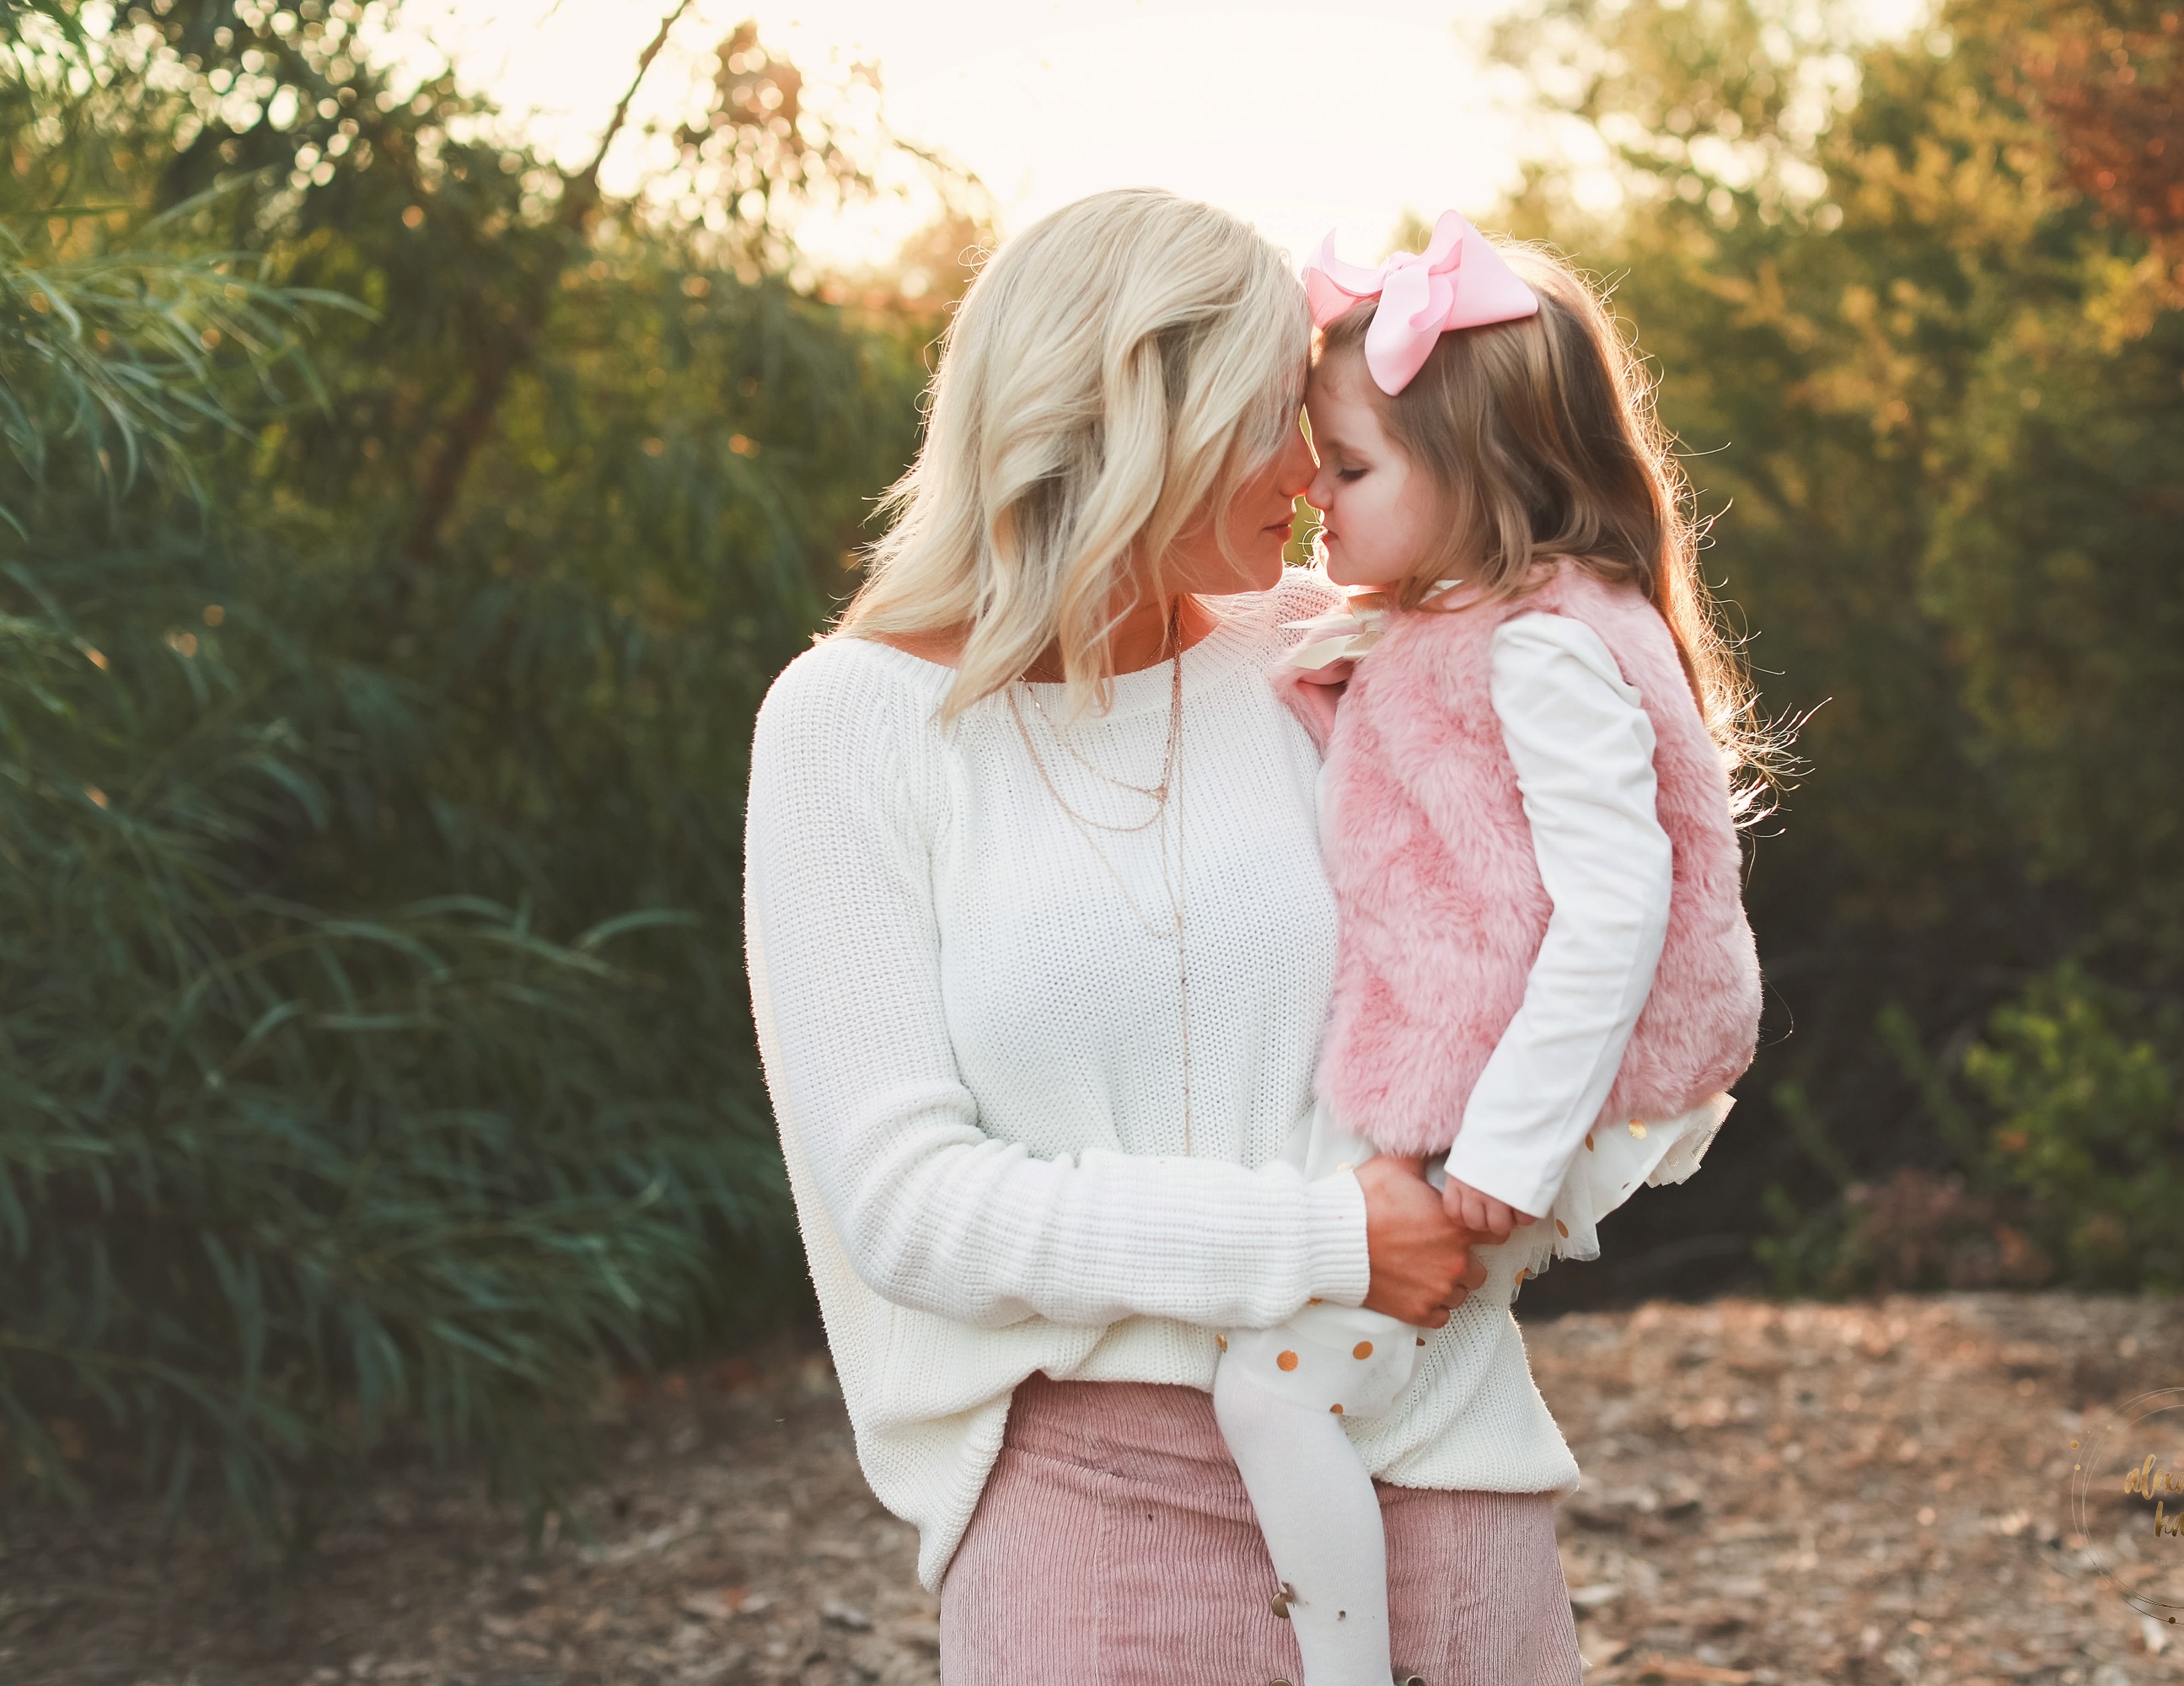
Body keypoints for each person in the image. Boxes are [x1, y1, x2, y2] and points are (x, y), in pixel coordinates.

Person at [741, 190, 1588, 1684]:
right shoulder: (849, 726)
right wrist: (1326, 1238)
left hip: (1431, 1455)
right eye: (1280, 418)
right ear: (1145, 412)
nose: (1314, 475)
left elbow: (1569, 922)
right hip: (1097, 1509)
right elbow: (907, 1204)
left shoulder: (1331, 649)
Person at [1206, 213, 1767, 1686]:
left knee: (1270, 1395)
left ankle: (1344, 1671)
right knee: (1301, 1378)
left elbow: (1615, 913)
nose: (1315, 499)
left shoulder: (1546, 645)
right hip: (1490, 1092)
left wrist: (1502, 1165)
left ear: (1485, 476)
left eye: (1350, 470)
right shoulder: (1470, 617)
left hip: (1531, 1111)